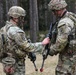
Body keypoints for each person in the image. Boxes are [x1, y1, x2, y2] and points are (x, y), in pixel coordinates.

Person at [1, 6, 43, 75]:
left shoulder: (3, 29)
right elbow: (27, 46)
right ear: (15, 18)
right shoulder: (16, 31)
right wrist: (42, 44)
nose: (23, 20)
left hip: (8, 63)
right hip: (16, 64)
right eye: (21, 17)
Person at [42, 0, 76, 75]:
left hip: (67, 60)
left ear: (59, 9)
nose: (53, 13)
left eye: (54, 11)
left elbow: (61, 43)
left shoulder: (64, 22)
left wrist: (50, 51)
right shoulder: (72, 16)